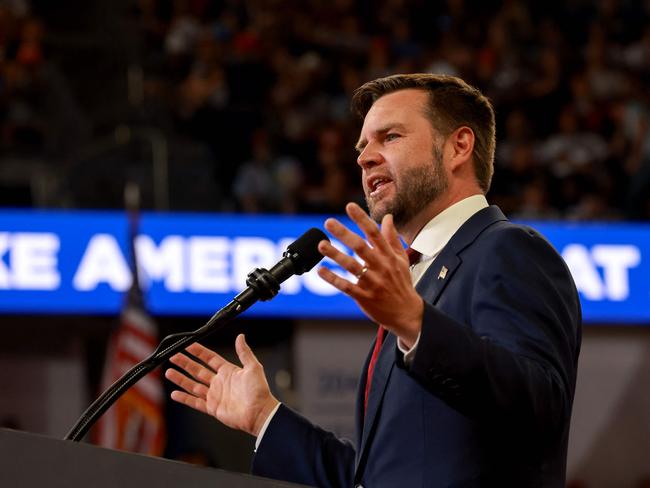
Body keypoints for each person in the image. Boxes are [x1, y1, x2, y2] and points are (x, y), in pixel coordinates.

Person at [165, 73, 582, 487]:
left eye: (390, 137)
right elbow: (370, 478)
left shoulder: (508, 250)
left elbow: (541, 406)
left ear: (459, 146)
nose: (364, 157)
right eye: (363, 146)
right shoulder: (413, 289)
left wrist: (417, 324)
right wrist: (264, 418)